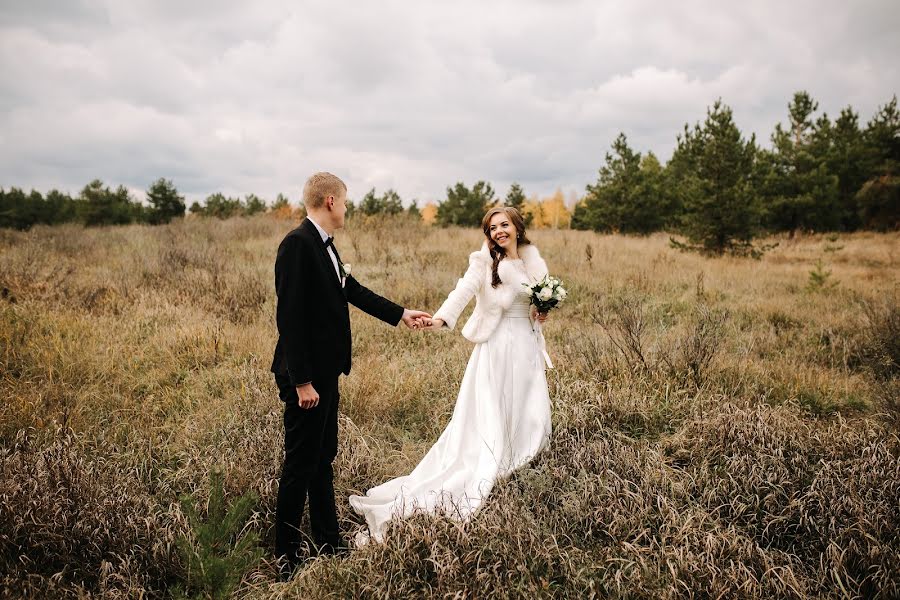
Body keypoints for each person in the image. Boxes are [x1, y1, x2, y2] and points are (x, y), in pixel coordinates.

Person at [349, 206, 553, 545]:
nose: (499, 231)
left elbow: (532, 302)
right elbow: (464, 290)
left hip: (527, 348)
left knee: (529, 409)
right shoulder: (485, 261)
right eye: (492, 227)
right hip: (498, 348)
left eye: (504, 225)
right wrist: (441, 318)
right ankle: (492, 464)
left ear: (517, 226)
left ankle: (520, 466)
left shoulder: (532, 261)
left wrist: (541, 311)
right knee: (494, 411)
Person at [270, 172, 431, 575]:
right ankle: (286, 555)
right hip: (306, 377)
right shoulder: (297, 245)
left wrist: (401, 314)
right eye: (344, 201)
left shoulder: (326, 246)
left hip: (327, 373)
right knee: (299, 464)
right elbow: (288, 318)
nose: (346, 208)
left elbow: (352, 289)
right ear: (329, 201)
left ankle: (328, 541)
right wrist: (303, 381)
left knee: (323, 458)